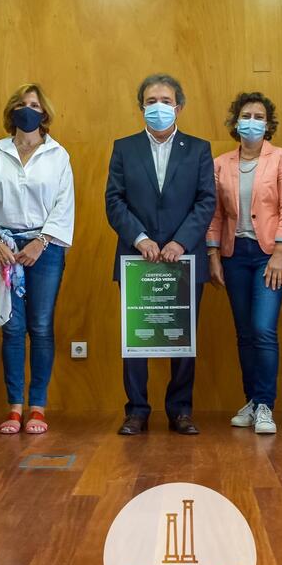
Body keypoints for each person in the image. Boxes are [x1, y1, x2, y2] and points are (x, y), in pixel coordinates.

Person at [105, 74, 216, 436]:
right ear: (141, 107)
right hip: (137, 258)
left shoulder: (198, 149)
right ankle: (136, 410)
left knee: (181, 338)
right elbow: (114, 201)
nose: (158, 107)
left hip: (183, 258)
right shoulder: (124, 148)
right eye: (151, 101)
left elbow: (206, 201)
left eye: (165, 101)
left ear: (178, 107)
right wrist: (140, 239)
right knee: (136, 338)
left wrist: (180, 242)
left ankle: (180, 410)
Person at [0, 84, 75, 435]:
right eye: (21, 103)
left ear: (44, 113)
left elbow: (64, 205)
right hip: (1, 248)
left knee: (41, 326)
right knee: (12, 328)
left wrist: (40, 242)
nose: (27, 109)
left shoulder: (57, 155)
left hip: (45, 249)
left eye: (34, 104)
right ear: (11, 111)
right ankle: (14, 407)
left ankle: (38, 407)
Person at [207, 92, 282, 436]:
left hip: (269, 254)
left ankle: (265, 405)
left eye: (259, 117)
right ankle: (251, 400)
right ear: (236, 122)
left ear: (268, 124)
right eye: (246, 116)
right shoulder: (220, 163)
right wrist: (213, 255)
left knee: (263, 329)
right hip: (234, 255)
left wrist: (281, 252)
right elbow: (215, 214)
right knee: (244, 333)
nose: (252, 122)